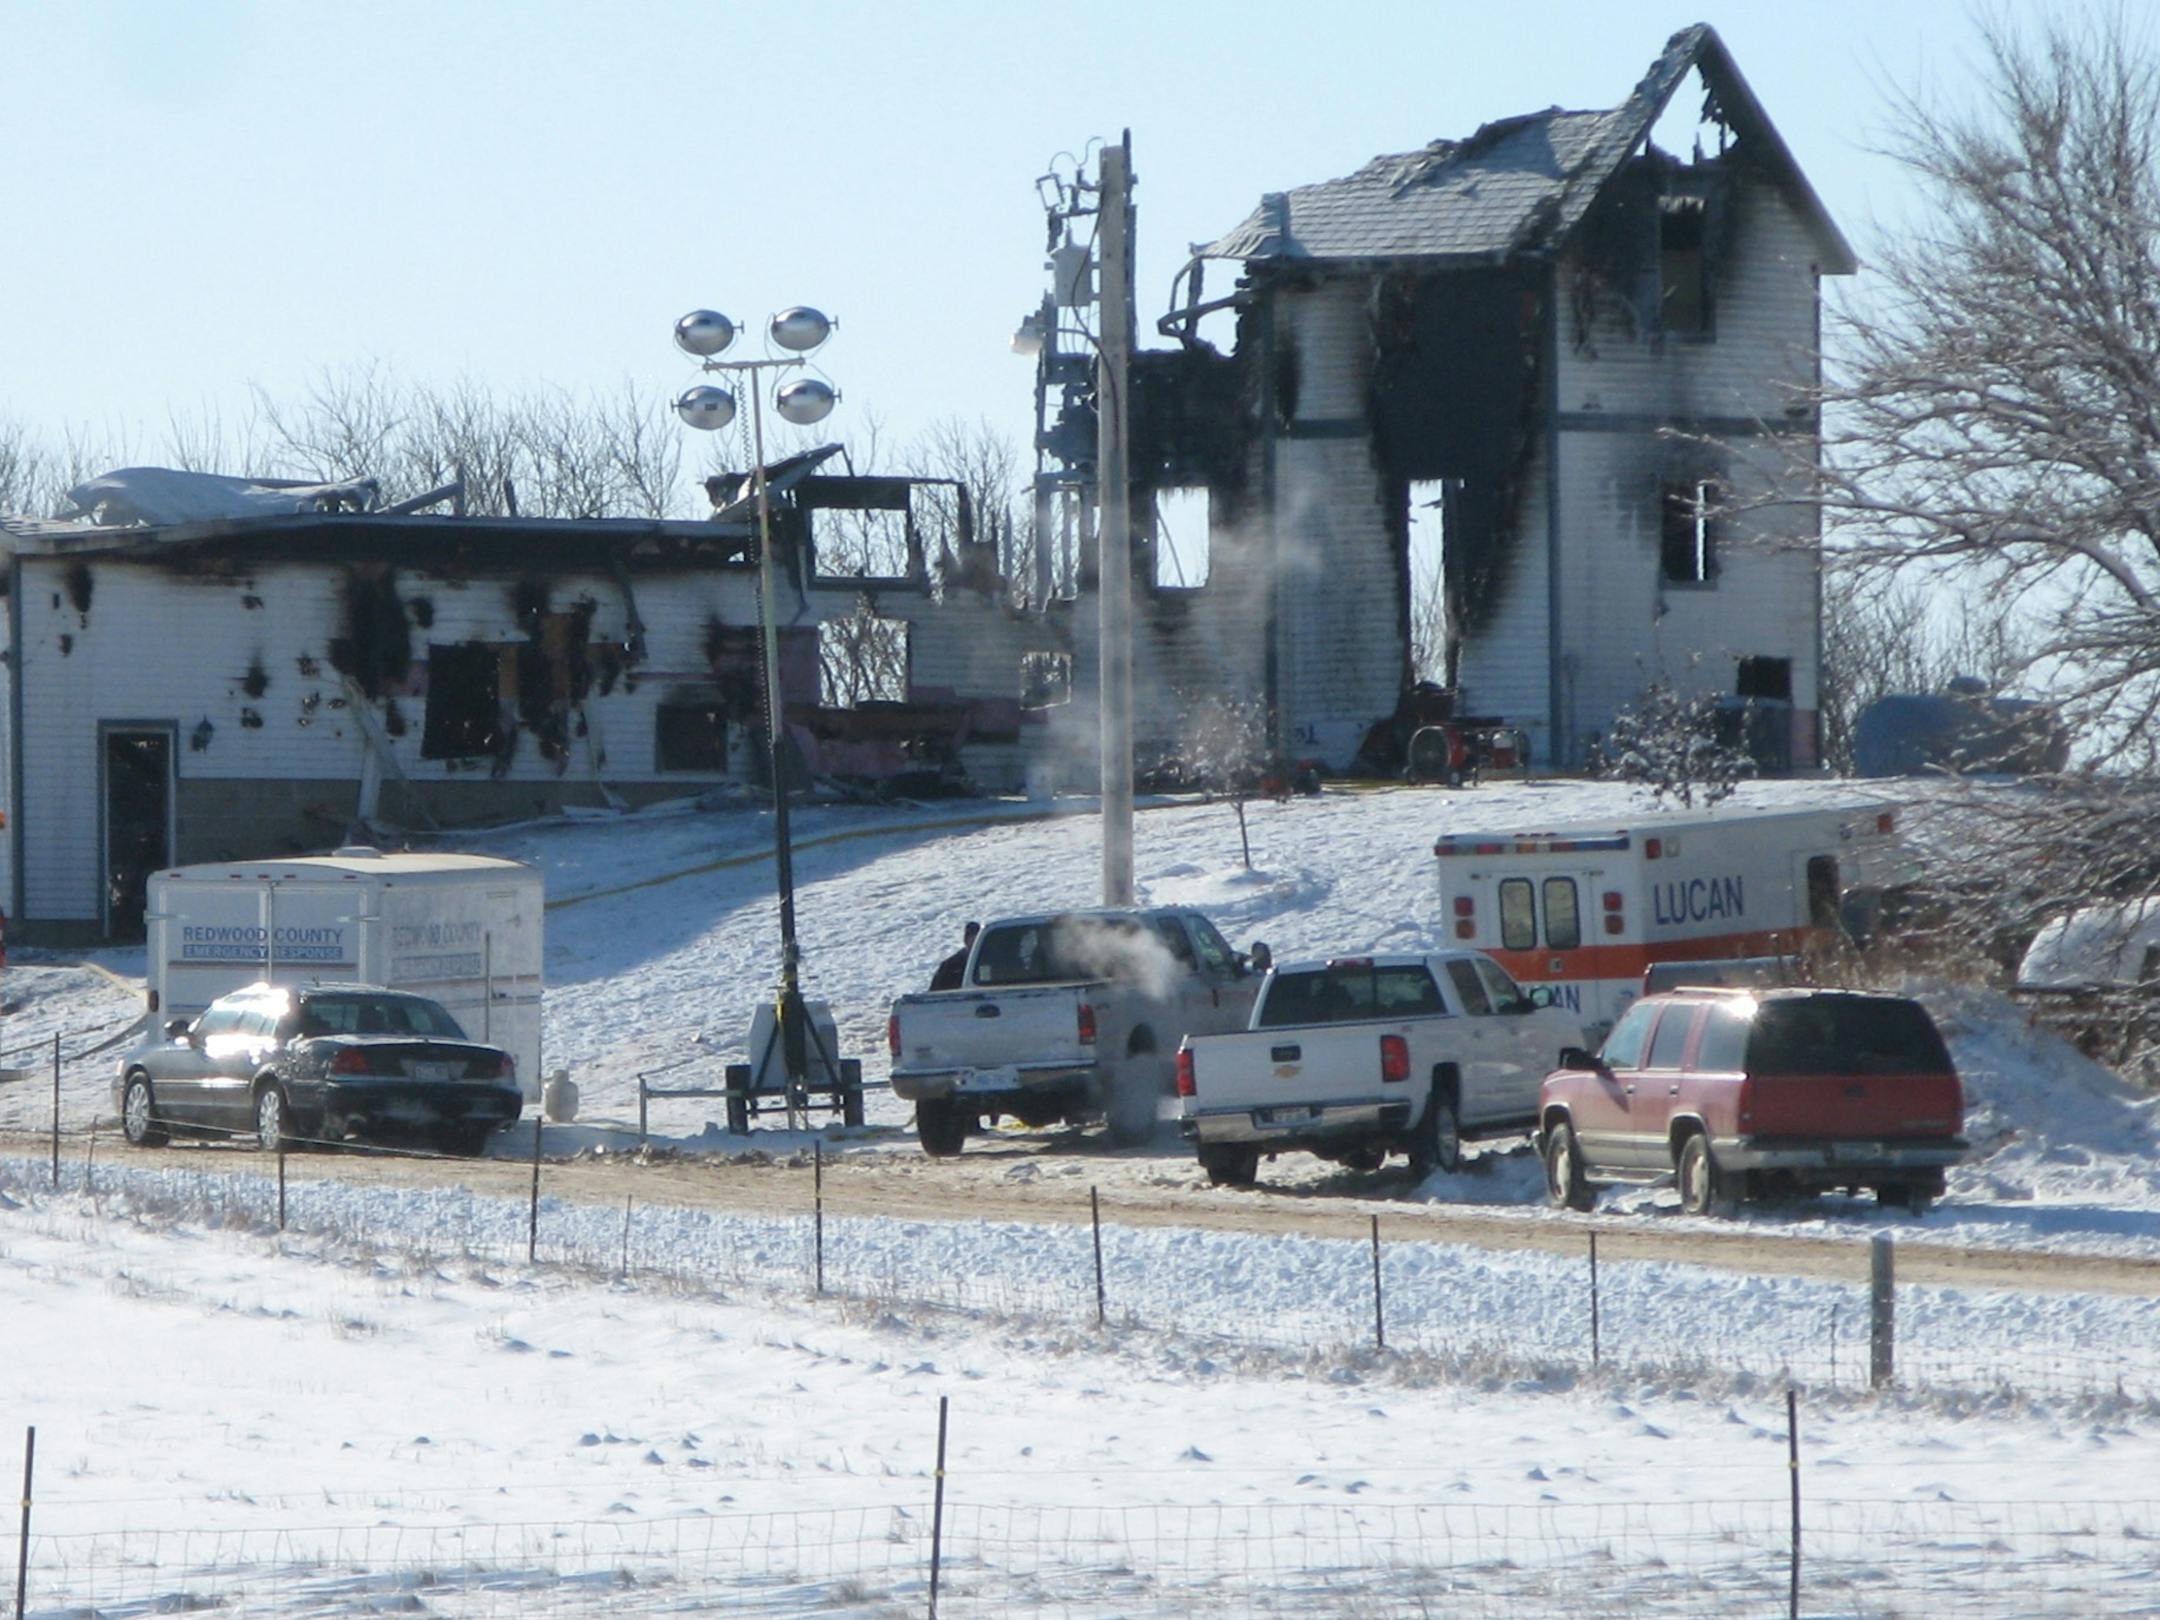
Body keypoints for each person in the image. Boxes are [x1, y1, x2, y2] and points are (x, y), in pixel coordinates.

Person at [930, 920, 980, 991]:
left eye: (978, 939)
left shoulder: (990, 961)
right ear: (965, 940)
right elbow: (934, 994)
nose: (975, 943)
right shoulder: (950, 966)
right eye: (972, 938)